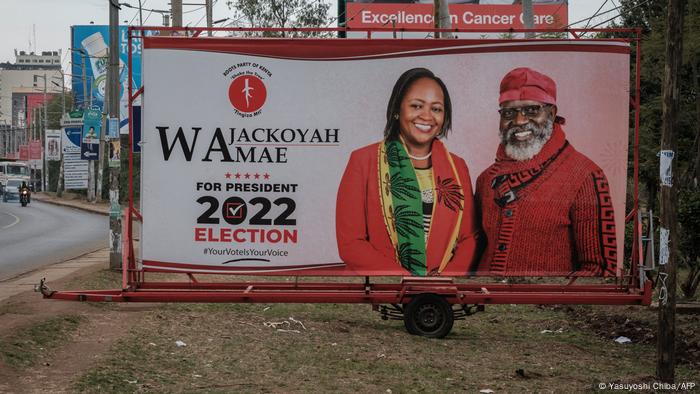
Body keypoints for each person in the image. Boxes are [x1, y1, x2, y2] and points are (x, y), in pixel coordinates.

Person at [472, 67, 617, 276]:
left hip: (548, 307)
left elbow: (599, 272)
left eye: (532, 110)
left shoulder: (586, 176)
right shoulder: (486, 180)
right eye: (508, 112)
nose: (520, 121)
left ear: (552, 113)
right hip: (483, 306)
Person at [336, 68, 478, 276]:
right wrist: (407, 281)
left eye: (436, 109)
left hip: (441, 293)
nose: (427, 116)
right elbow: (351, 243)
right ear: (397, 110)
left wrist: (445, 281)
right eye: (416, 106)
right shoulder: (363, 161)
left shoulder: (458, 167)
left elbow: (470, 237)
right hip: (384, 291)